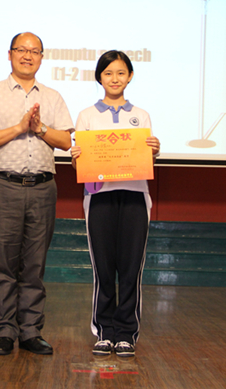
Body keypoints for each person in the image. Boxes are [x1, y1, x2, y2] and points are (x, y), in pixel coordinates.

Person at [0, 32, 74, 356]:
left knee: (34, 265)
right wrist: (19, 127)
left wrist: (39, 128)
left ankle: (30, 332)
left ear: (42, 57)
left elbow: (66, 142)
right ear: (10, 54)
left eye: (34, 51)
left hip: (43, 188)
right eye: (21, 50)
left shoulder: (53, 97)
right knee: (3, 266)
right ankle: (4, 332)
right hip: (4, 187)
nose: (28, 56)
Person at [71, 50, 160, 357]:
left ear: (130, 76)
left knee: (131, 267)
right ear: (99, 78)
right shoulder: (86, 115)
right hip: (99, 197)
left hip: (135, 195)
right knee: (104, 268)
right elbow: (79, 165)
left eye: (121, 73)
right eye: (108, 73)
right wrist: (76, 158)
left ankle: (126, 333)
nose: (114, 79)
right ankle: (104, 332)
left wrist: (154, 150)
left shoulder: (141, 115)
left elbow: (146, 159)